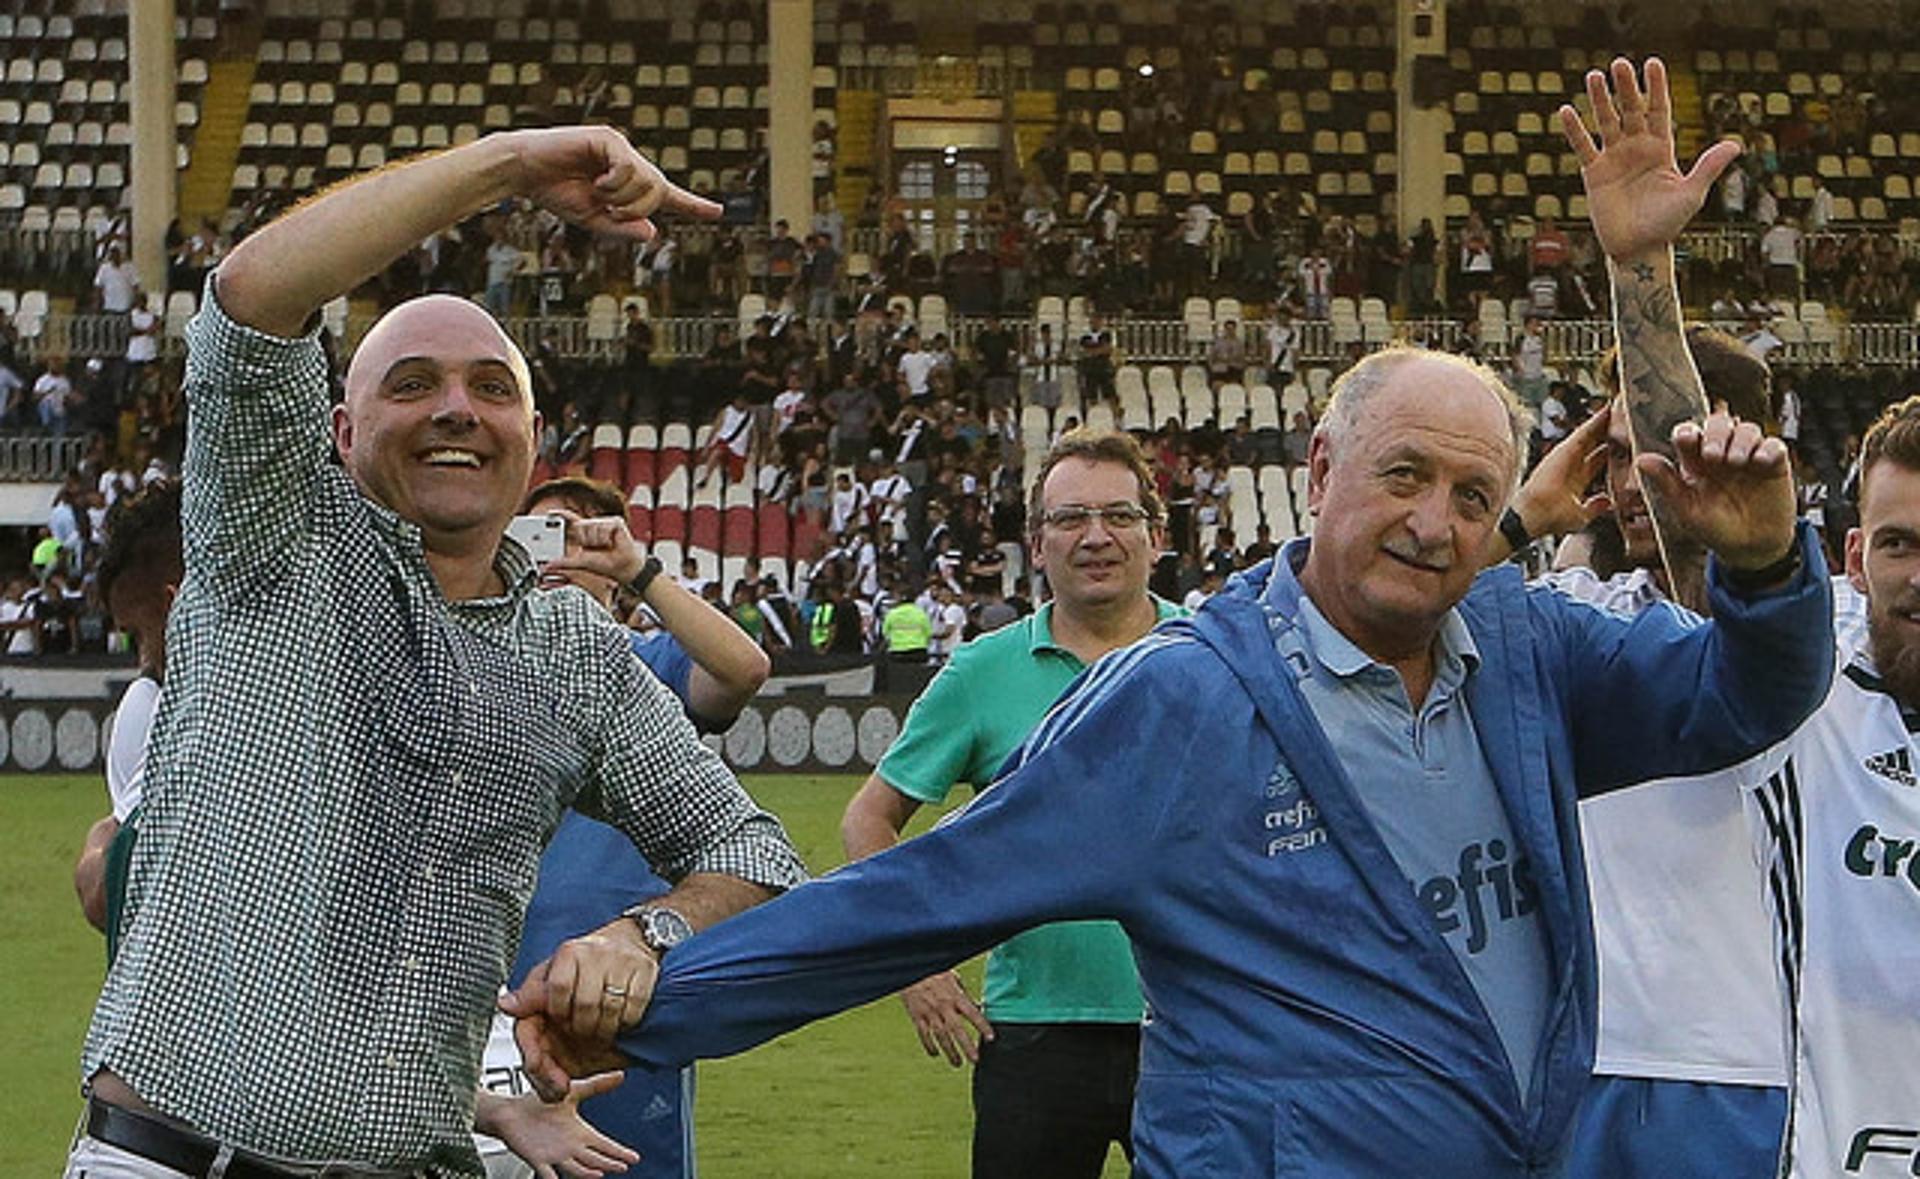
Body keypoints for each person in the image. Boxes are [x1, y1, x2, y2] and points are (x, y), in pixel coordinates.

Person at [509, 60, 1836, 1178]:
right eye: (1406, 477)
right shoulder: (1177, 702)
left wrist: (1770, 559)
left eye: (1475, 493)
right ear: (1316, 474)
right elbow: (906, 899)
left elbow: (1744, 697)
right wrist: (642, 1001)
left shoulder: (1533, 652)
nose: (1439, 520)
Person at [66, 126, 807, 1179]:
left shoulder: (577, 658)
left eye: (491, 388)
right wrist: (506, 171)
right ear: (337, 432)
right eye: (411, 383)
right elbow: (248, 299)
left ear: (532, 440)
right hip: (172, 1158)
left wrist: (643, 936)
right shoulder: (274, 545)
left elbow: (756, 854)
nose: (457, 408)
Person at [1483, 330, 1790, 1179]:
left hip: (1748, 1066)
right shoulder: (1580, 619)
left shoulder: (1821, 627)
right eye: (1615, 456)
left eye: (1655, 452)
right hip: (1578, 1062)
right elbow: (1397, 617)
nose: (1628, 484)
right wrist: (1523, 519)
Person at [836, 430, 1183, 1178]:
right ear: (1036, 543)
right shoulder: (981, 672)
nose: (1096, 536)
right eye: (1070, 518)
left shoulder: (1214, 651)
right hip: (1035, 1034)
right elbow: (868, 817)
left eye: (1119, 516)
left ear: (1157, 535)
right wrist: (915, 965)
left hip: (1198, 1023)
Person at [480, 475, 772, 1179]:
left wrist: (637, 570)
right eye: (542, 534)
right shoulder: (483, 666)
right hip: (490, 992)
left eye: (581, 539)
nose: (560, 556)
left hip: (617, 995)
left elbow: (742, 670)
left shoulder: (640, 667)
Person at [1731, 395, 1920, 1177]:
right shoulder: (1804, 695)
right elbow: (1693, 557)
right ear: (1852, 558)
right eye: (1899, 544)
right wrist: (1642, 275)